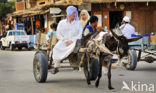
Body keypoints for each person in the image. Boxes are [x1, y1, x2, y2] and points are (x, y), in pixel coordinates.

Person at [52, 6, 83, 74]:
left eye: (75, 13)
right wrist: (66, 41)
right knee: (56, 48)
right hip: (63, 42)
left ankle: (76, 63)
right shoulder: (61, 23)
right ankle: (56, 66)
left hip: (75, 42)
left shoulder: (78, 23)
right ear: (69, 13)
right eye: (73, 13)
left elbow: (80, 34)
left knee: (76, 46)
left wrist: (72, 40)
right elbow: (58, 34)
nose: (75, 15)